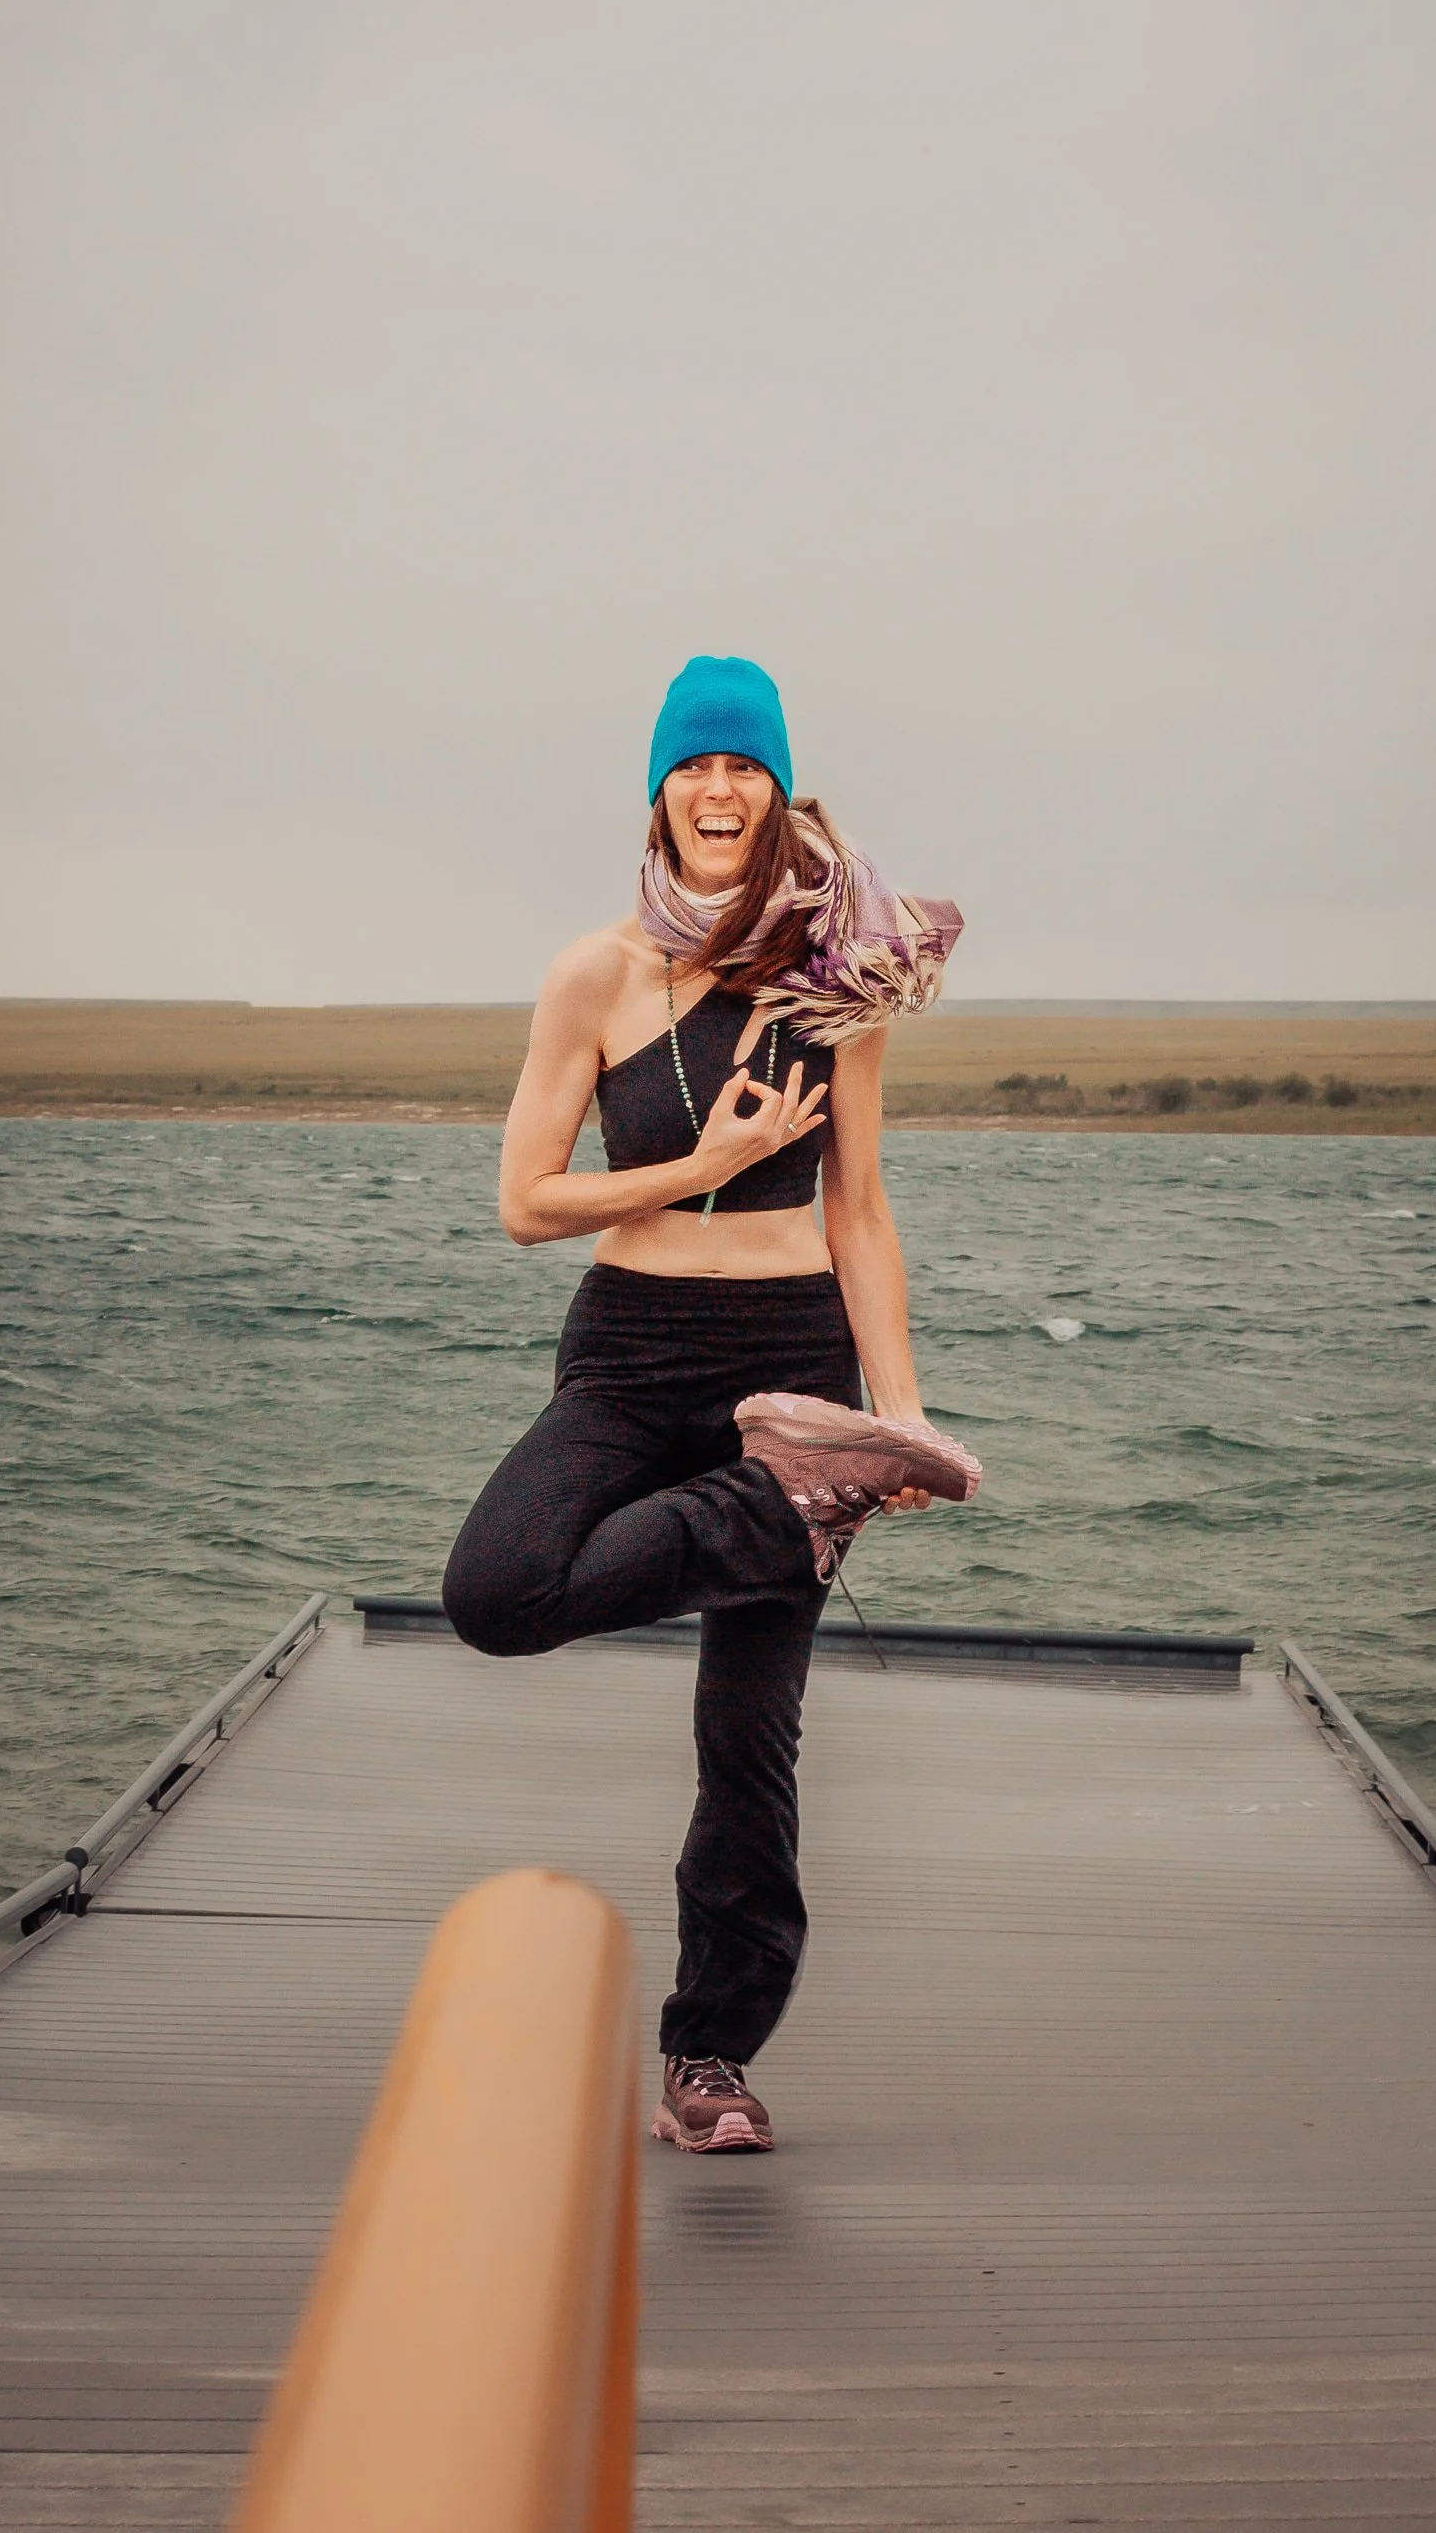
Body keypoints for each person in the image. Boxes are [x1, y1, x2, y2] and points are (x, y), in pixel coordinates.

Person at [442, 654, 979, 2153]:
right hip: (628, 1349)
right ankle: (774, 1504)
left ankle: (711, 2059)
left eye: (746, 766)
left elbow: (860, 1208)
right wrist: (692, 1164)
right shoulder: (596, 973)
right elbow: (524, 1201)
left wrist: (900, 1421)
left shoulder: (836, 976)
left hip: (798, 1365)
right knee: (496, 1589)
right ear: (661, 788)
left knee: (748, 1739)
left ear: (779, 786)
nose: (721, 788)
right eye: (696, 765)